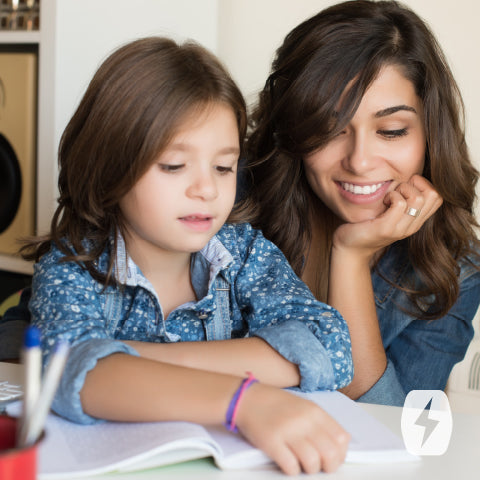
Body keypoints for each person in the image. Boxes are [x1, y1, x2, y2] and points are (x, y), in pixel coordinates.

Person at [21, 37, 353, 475]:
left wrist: (127, 358)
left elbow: (329, 347)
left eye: (223, 167)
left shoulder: (245, 252)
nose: (208, 190)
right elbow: (73, 373)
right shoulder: (72, 267)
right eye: (174, 166)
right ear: (110, 167)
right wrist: (245, 398)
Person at [236, 0, 480, 407]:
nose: (359, 161)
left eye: (391, 130)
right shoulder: (226, 197)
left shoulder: (455, 270)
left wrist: (349, 255)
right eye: (330, 129)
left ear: (429, 133)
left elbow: (394, 429)